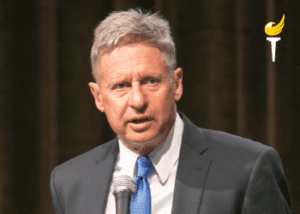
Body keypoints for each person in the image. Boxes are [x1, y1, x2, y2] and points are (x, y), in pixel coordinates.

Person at [50, 9, 292, 214]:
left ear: (176, 84)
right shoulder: (70, 181)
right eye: (121, 86)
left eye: (150, 81)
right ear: (98, 97)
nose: (137, 100)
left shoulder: (247, 168)